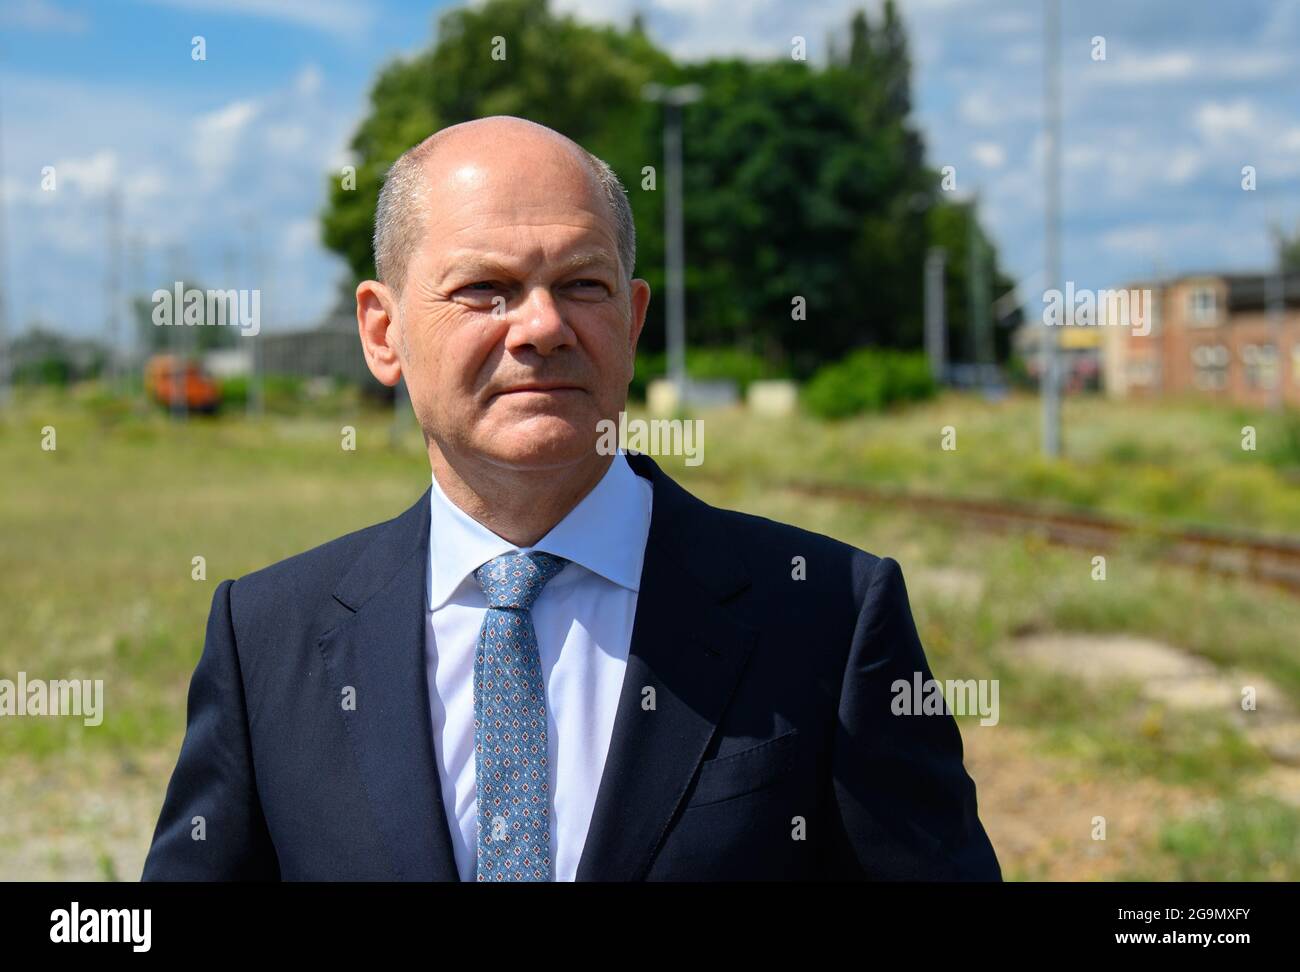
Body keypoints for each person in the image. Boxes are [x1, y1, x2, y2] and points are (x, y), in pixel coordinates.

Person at [142, 115, 1000, 881]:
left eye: (582, 286)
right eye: (486, 288)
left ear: (630, 324)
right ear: (383, 331)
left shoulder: (830, 615)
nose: (543, 326)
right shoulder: (265, 638)